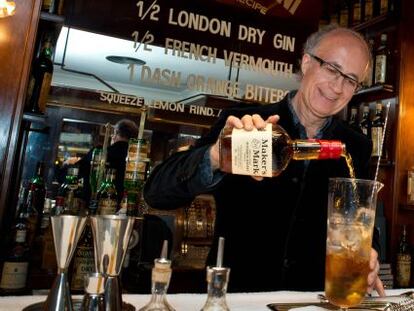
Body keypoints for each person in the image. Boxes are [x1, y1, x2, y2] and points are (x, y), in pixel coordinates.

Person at [144, 26, 385, 294]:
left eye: (351, 79)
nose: (338, 87)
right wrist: (215, 156)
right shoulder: (244, 125)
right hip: (238, 297)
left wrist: (370, 252)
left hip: (314, 300)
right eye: (332, 69)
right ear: (306, 63)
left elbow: (363, 219)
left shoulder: (356, 146)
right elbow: (156, 194)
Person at [76, 118, 139, 204]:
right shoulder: (138, 160)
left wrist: (68, 164)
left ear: (116, 132)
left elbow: (76, 172)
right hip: (125, 206)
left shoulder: (99, 152)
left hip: (93, 203)